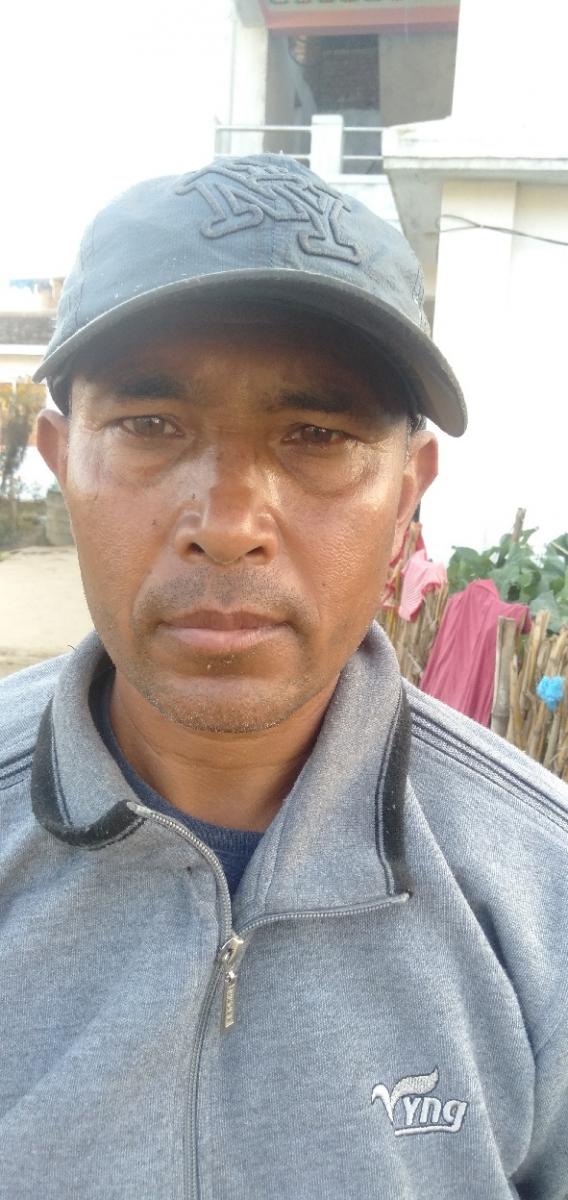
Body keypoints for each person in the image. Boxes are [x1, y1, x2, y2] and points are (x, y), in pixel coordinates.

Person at [1, 154, 567, 1200]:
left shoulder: (545, 897)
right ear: (60, 461)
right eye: (150, 427)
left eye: (317, 435)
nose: (226, 525)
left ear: (409, 491)